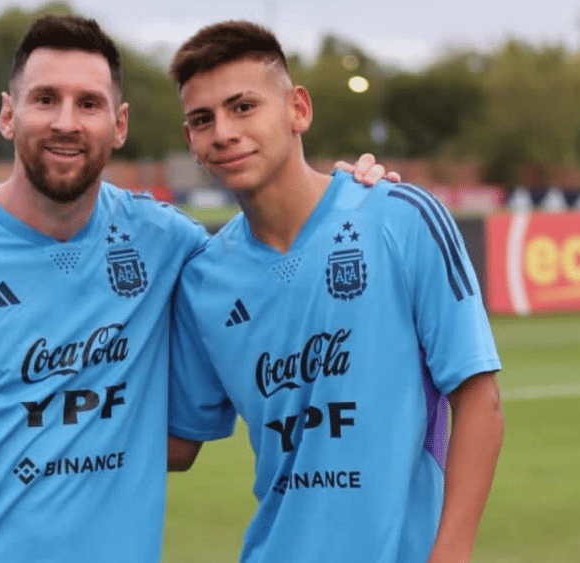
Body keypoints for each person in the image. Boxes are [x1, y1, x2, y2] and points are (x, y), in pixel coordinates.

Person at [0, 15, 393, 563]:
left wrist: (349, 195)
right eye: (45, 99)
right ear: (8, 114)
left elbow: (268, 259)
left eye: (89, 103)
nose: (66, 122)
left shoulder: (168, 242)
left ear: (119, 124)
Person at [165, 21, 505, 563]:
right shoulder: (203, 279)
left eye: (243, 107)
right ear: (191, 141)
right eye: (203, 120)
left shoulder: (401, 218)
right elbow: (178, 445)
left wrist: (451, 552)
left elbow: (479, 400)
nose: (223, 132)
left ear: (297, 109)